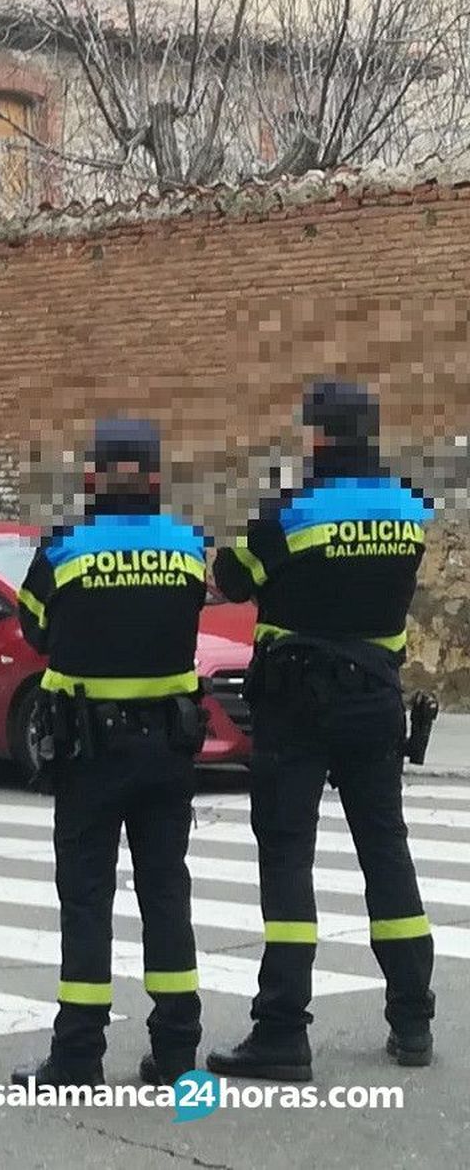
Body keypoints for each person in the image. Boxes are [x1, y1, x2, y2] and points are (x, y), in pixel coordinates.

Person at [208, 379, 435, 1080]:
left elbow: (233, 576)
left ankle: (282, 1030)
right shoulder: (409, 509)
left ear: (317, 436)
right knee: (385, 853)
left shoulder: (292, 509)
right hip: (375, 699)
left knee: (287, 858)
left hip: (296, 705)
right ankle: (411, 1021)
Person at [11, 418, 209, 1087]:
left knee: (88, 900)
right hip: (168, 751)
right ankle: (178, 1049)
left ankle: (78, 1057)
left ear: (92, 477)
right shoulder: (187, 546)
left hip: (90, 753)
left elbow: (33, 629)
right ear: (156, 476)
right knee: (165, 892)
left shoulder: (67, 548)